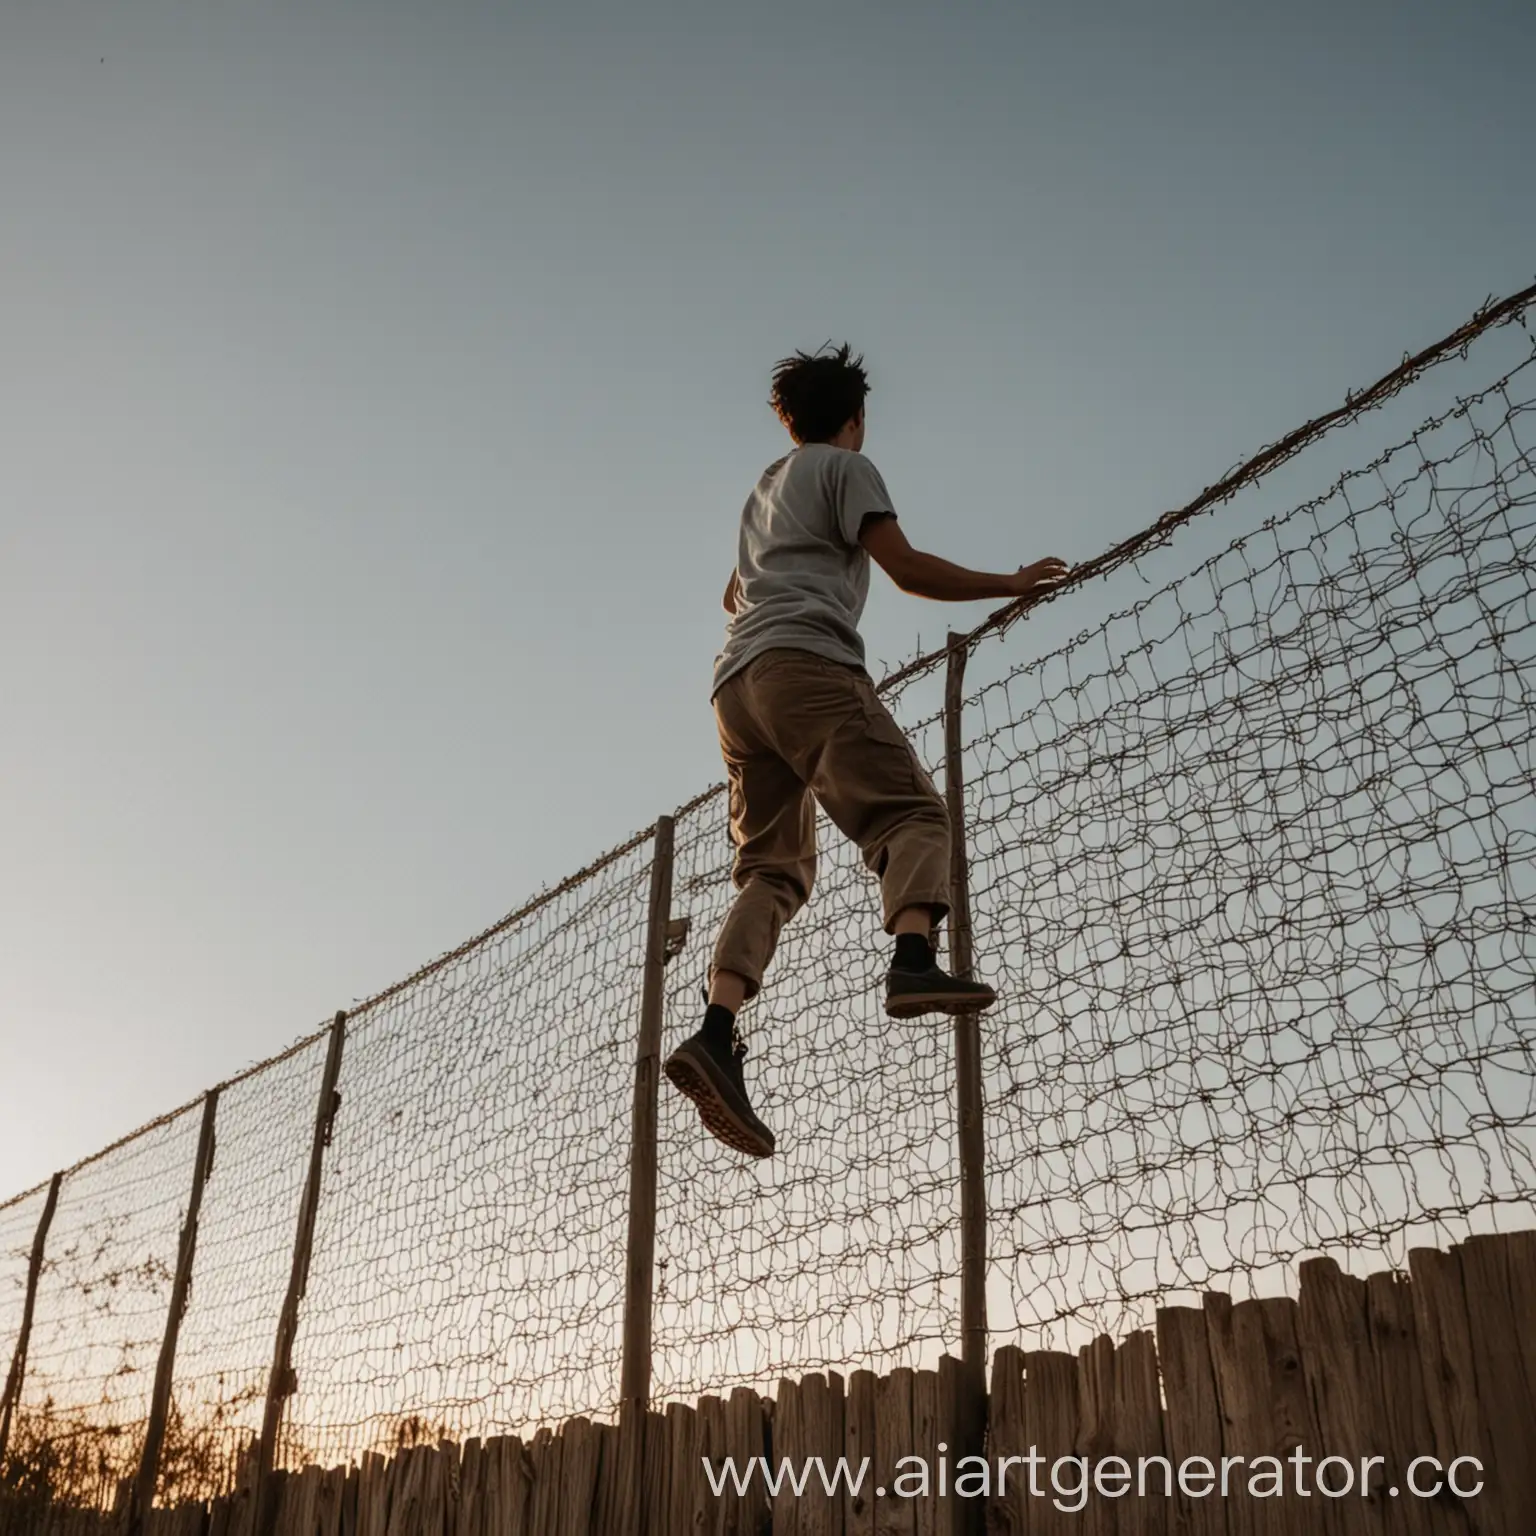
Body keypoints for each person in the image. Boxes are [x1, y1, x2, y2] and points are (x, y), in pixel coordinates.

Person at [663, 343, 1069, 1157]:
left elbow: (731, 593)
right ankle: (914, 956)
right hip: (806, 667)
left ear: (789, 418)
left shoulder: (764, 489)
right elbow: (906, 568)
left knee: (772, 872)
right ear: (854, 418)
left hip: (735, 688)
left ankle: (716, 1029)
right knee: (913, 812)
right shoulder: (848, 470)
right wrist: (1010, 583)